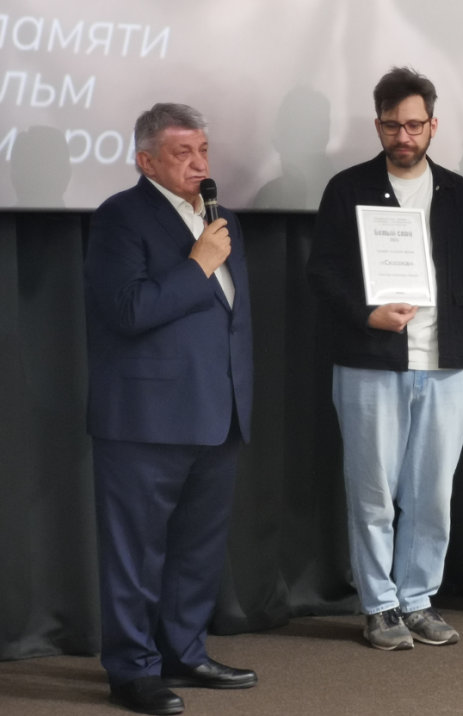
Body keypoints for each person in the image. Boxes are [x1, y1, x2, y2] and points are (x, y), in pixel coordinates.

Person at [307, 67, 463, 650]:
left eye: (414, 125)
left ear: (434, 125)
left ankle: (416, 600)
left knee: (432, 495)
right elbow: (322, 274)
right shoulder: (347, 188)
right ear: (378, 125)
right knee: (371, 493)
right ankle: (379, 606)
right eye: (392, 125)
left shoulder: (458, 193)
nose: (404, 136)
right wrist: (369, 314)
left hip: (445, 365)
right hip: (369, 362)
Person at [84, 103, 257, 715]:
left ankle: (184, 651)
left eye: (203, 150)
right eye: (183, 153)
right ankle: (132, 670)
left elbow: (229, 321)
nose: (199, 163)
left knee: (197, 549)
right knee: (135, 553)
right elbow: (127, 310)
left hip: (218, 411)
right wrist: (196, 266)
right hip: (145, 418)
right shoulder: (119, 217)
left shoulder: (222, 219)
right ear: (146, 160)